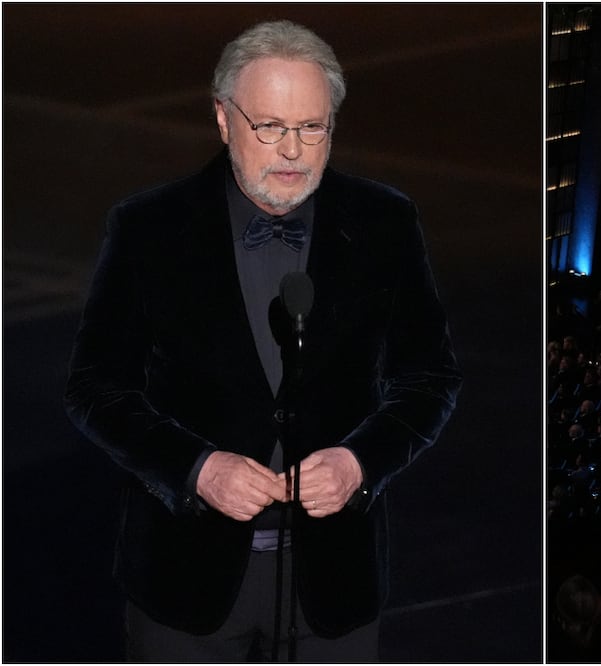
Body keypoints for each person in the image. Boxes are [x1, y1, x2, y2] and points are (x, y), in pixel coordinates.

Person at [63, 20, 462, 661]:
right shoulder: (147, 228)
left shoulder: (386, 223)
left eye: (312, 127)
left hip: (335, 584)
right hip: (183, 581)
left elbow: (430, 379)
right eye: (269, 126)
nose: (293, 151)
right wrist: (198, 469)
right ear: (224, 119)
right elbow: (94, 388)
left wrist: (359, 462)